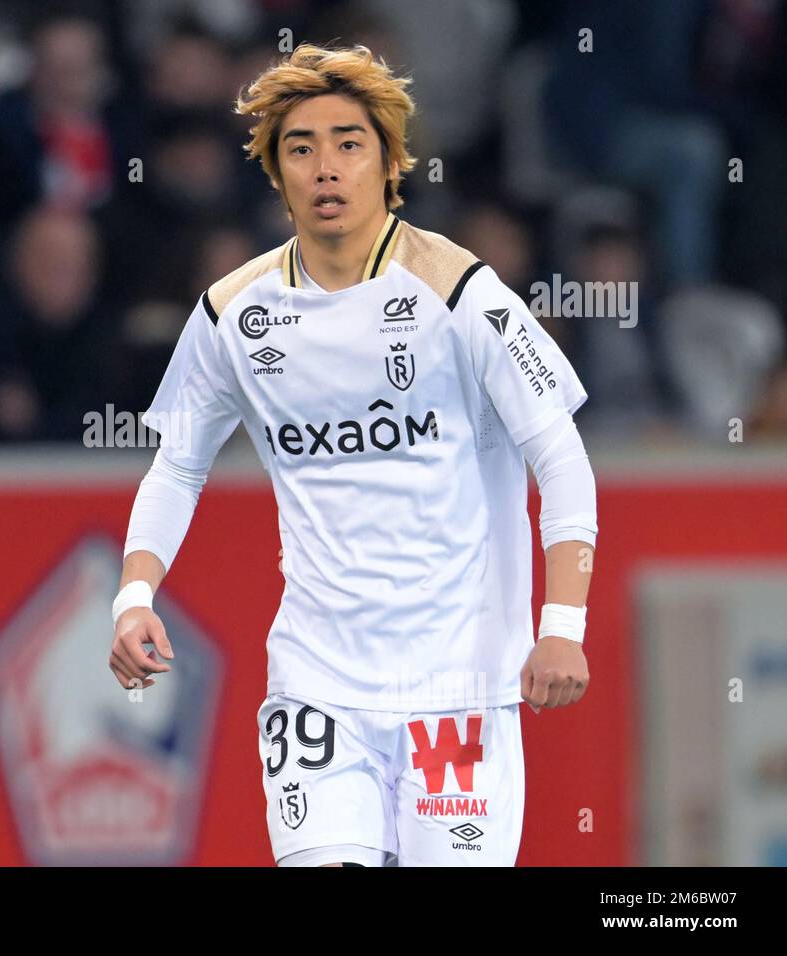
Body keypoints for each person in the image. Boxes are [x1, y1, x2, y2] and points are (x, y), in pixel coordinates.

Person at [109, 45, 598, 867]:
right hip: (316, 682)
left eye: (348, 143)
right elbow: (178, 466)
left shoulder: (461, 293)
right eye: (300, 148)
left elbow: (562, 459)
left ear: (389, 162)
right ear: (275, 171)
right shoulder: (236, 313)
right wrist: (133, 595)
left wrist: (563, 626)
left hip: (457, 683)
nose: (325, 167)